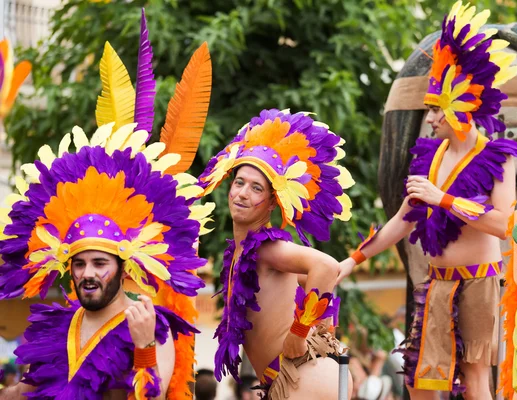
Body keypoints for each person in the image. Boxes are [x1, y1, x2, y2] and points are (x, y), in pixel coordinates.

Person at [0, 9, 214, 399]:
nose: (87, 273)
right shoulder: (58, 326)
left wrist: (145, 344)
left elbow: (153, 394)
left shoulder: (150, 322)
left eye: (99, 263)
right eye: (80, 264)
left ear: (122, 265)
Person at [336, 2, 517, 399]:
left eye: (437, 109)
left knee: (474, 378)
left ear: (463, 108)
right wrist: (352, 261)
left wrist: (444, 199)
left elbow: (504, 223)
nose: (432, 118)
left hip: (479, 281)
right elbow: (403, 219)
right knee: (419, 378)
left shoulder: (497, 157)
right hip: (435, 284)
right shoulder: (430, 154)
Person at [197, 109, 355, 399]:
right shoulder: (243, 253)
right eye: (239, 182)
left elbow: (327, 267)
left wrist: (299, 331)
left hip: (300, 377)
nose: (243, 193)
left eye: (256, 188)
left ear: (272, 203)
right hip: (290, 379)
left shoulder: (267, 249)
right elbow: (313, 282)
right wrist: (325, 326)